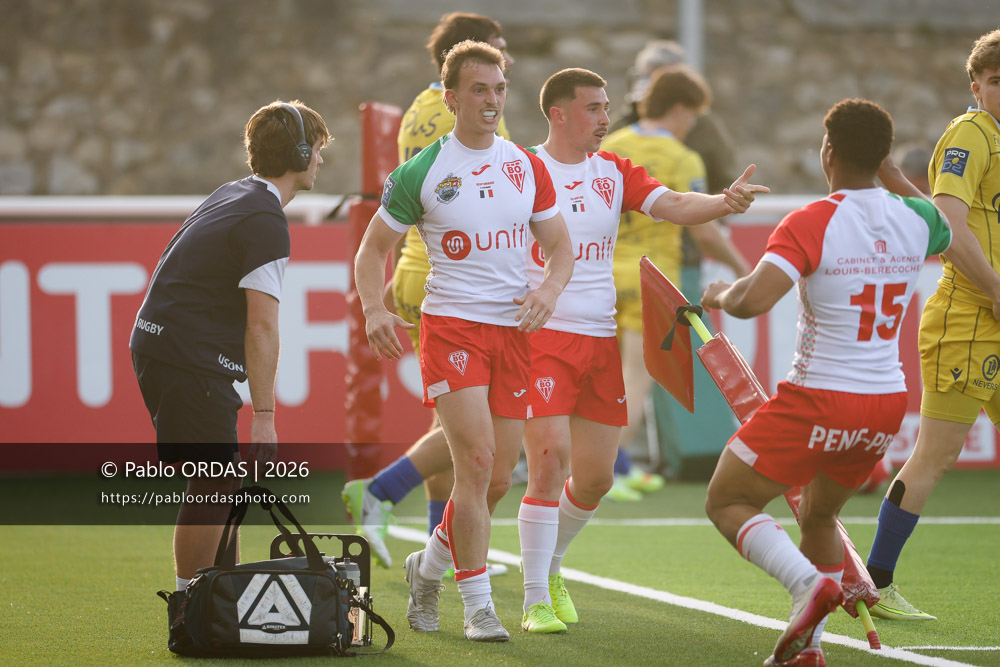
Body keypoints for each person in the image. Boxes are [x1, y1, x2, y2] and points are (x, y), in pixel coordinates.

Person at [700, 98, 951, 666]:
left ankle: (805, 587)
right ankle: (808, 648)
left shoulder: (812, 220)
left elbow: (752, 300)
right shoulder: (917, 219)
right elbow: (941, 224)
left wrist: (717, 293)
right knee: (818, 514)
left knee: (727, 500)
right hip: (885, 403)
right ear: (884, 156)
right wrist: (893, 175)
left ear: (828, 152)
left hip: (819, 398)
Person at [517, 68, 768, 634]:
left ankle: (549, 565)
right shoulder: (521, 168)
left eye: (608, 106)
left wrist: (723, 203)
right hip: (540, 338)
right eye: (593, 108)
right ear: (558, 114)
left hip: (600, 338)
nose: (606, 118)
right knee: (548, 459)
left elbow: (674, 203)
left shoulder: (613, 171)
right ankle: (534, 598)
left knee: (598, 478)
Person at [354, 41, 575, 642]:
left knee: (499, 478)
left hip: (514, 334)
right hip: (451, 329)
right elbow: (373, 248)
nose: (492, 100)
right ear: (451, 97)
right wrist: (374, 307)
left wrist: (550, 292)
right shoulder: (422, 171)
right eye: (480, 90)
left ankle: (425, 569)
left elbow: (561, 248)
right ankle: (478, 605)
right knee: (474, 464)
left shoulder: (525, 166)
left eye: (500, 90)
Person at [129, 100, 330, 592]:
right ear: (300, 152)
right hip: (185, 356)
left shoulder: (236, 194)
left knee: (218, 481)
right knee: (214, 480)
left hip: (168, 348)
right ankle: (189, 605)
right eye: (319, 149)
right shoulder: (265, 220)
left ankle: (219, 594)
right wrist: (264, 415)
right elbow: (261, 327)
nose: (322, 160)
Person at [342, 11, 514, 574]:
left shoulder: (419, 108)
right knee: (475, 431)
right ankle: (382, 490)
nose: (503, 62)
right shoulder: (467, 116)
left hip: (417, 269)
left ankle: (445, 539)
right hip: (450, 276)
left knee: (454, 421)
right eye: (497, 50)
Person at [864, 28, 1000, 623]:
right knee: (935, 456)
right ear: (976, 87)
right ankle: (874, 582)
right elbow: (949, 223)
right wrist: (996, 291)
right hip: (971, 317)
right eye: (997, 81)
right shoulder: (972, 134)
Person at [602, 64, 750, 500]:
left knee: (602, 378)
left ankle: (612, 465)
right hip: (653, 276)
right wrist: (744, 268)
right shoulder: (684, 159)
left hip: (604, 272)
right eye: (693, 115)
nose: (693, 126)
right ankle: (607, 470)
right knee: (636, 378)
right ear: (680, 109)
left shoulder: (611, 146)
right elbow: (703, 231)